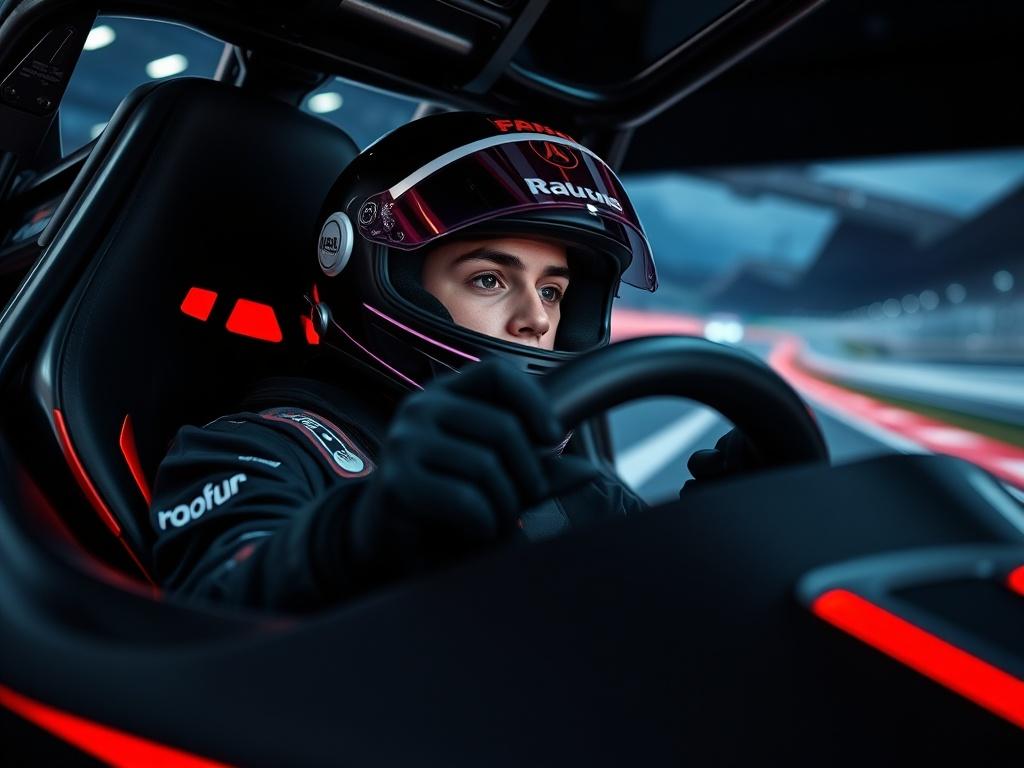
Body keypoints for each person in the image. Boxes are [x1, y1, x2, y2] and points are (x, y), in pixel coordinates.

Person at [148, 112, 743, 612]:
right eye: (489, 279)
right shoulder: (256, 449)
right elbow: (219, 599)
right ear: (385, 282)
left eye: (554, 292)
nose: (536, 319)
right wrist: (374, 526)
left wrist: (732, 525)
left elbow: (659, 621)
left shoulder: (570, 486)